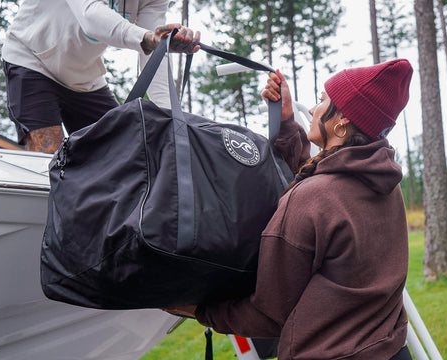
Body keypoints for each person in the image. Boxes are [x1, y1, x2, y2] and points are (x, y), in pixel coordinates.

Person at [165, 59, 414, 360]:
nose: (312, 109)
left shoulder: (313, 200)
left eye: (322, 101)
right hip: (392, 350)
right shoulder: (384, 184)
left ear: (343, 120)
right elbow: (326, 183)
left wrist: (199, 310)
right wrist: (285, 123)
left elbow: (269, 314)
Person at [2, 0, 200, 153]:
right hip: (32, 61)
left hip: (84, 77)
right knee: (49, 165)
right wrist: (146, 39)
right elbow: (91, 15)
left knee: (123, 156)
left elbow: (155, 52)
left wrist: (172, 121)